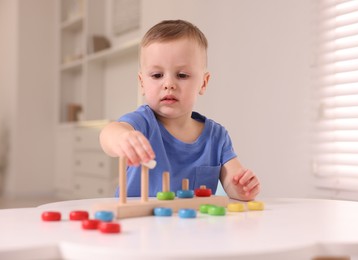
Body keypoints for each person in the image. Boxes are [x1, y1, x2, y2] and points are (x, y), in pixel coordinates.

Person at [100, 20, 260, 201]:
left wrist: (241, 187)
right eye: (157, 75)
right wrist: (122, 138)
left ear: (203, 83)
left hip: (191, 227)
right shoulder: (142, 123)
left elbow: (232, 180)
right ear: (142, 83)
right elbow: (109, 134)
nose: (169, 84)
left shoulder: (217, 137)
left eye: (182, 75)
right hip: (139, 224)